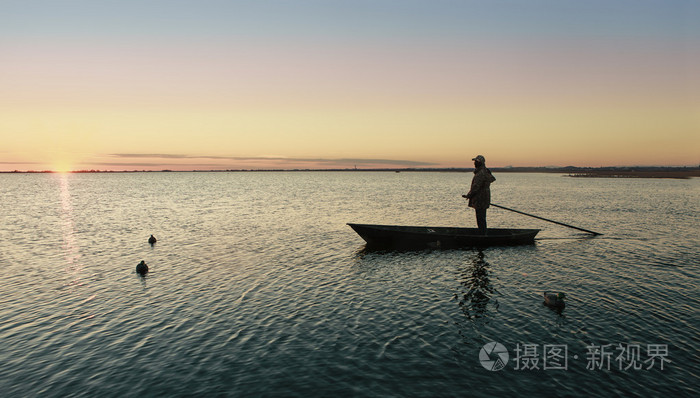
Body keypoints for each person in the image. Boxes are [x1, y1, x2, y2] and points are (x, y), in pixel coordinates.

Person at [462, 155, 496, 234]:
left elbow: (476, 187)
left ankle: (482, 234)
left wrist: (469, 195)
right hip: (484, 198)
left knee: (480, 218)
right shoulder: (485, 172)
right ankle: (483, 233)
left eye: (476, 162)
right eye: (474, 161)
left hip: (480, 199)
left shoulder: (480, 173)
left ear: (480, 163)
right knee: (482, 217)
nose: (474, 163)